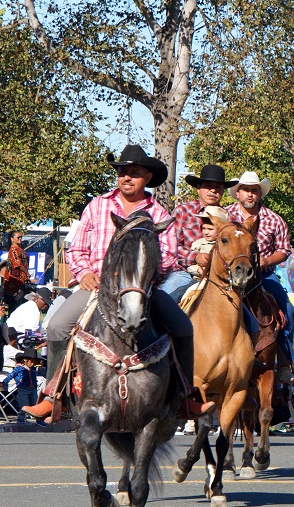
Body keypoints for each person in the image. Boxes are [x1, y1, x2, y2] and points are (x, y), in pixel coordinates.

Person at [22, 144, 213, 420]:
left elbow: (170, 256)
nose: (126, 178)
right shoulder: (97, 206)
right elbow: (76, 249)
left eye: (134, 173)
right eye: (123, 172)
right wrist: (85, 273)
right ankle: (52, 396)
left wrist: (146, 279)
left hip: (141, 291)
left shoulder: (158, 214)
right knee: (57, 325)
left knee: (183, 326)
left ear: (147, 178)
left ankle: (185, 397)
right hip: (96, 288)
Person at [226, 171, 294, 380]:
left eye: (254, 191)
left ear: (260, 194)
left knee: (287, 308)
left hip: (262, 277)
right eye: (245, 190)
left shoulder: (275, 220)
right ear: (237, 193)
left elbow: (284, 250)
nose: (250, 195)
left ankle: (285, 358)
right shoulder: (225, 216)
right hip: (230, 277)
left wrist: (266, 261)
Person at [167, 163, 238, 300]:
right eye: (208, 186)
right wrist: (194, 256)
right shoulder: (183, 211)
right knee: (164, 300)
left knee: (248, 313)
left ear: (223, 190)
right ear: (198, 188)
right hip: (185, 273)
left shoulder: (230, 218)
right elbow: (169, 246)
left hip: (222, 276)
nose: (213, 191)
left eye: (218, 187)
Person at [3, 348, 41, 417]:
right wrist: (4, 383)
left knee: (34, 404)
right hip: (23, 389)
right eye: (31, 362)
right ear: (25, 360)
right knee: (24, 405)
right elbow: (11, 376)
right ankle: (21, 418)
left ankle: (37, 418)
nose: (32, 364)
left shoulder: (33, 369)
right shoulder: (19, 369)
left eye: (34, 362)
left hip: (33, 389)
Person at [3, 230, 31, 306]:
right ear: (12, 239)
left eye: (21, 237)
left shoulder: (20, 249)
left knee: (20, 303)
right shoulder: (13, 250)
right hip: (14, 282)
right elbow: (17, 264)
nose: (20, 239)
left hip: (21, 280)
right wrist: (27, 273)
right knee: (15, 304)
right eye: (18, 237)